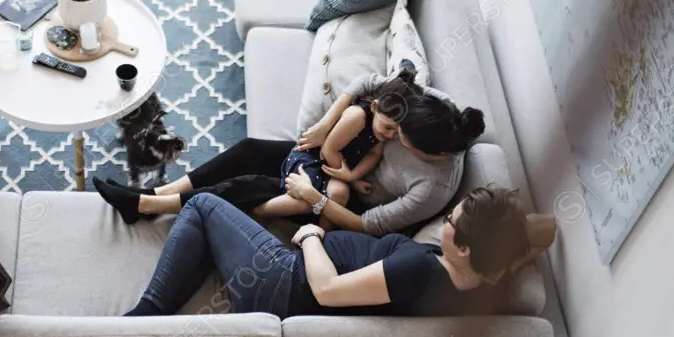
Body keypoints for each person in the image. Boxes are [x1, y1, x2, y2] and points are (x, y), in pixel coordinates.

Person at [93, 72, 485, 236]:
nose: (394, 133)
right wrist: (327, 124)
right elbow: (368, 82)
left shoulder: (433, 187)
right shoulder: (435, 107)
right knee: (249, 150)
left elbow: (369, 227)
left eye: (401, 136)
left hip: (341, 199)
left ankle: (145, 205)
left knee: (250, 185)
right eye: (394, 128)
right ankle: (160, 197)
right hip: (335, 156)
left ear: (429, 152)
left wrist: (316, 198)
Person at [123, 187, 548, 318]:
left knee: (203, 204)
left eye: (450, 225)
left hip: (284, 282)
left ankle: (146, 316)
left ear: (467, 247)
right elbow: (551, 230)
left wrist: (310, 235)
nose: (445, 225)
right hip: (289, 284)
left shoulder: (417, 270)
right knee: (218, 231)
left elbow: (326, 290)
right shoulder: (487, 281)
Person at [258, 69, 417, 224]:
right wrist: (350, 180)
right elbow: (329, 149)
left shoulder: (381, 131)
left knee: (339, 194)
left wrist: (353, 176)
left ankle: (321, 234)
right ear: (374, 107)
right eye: (388, 128)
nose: (390, 136)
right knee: (307, 202)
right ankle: (259, 212)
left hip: (335, 169)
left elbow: (374, 155)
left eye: (396, 133)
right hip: (313, 157)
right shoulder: (357, 116)